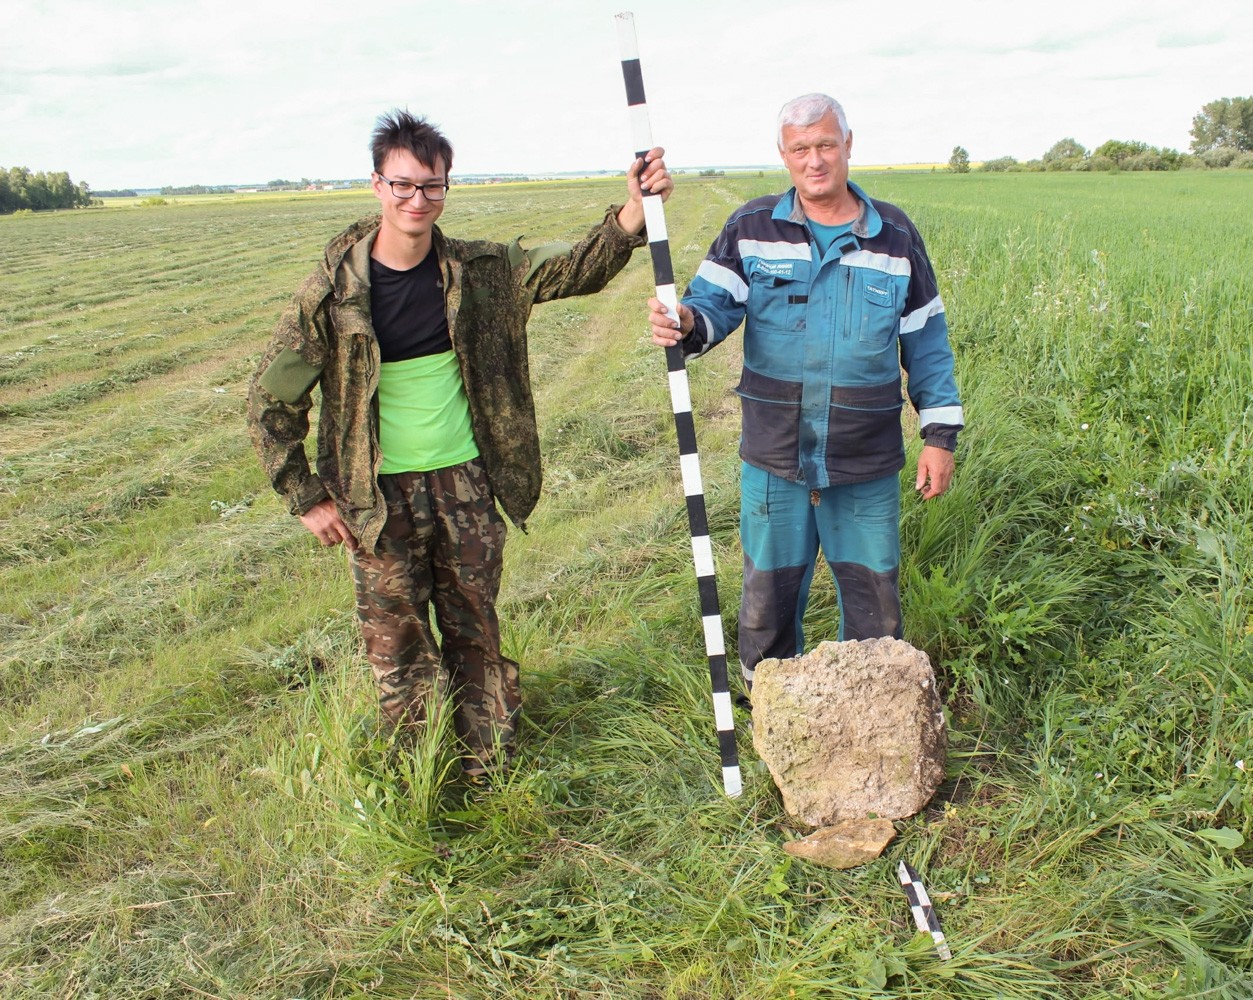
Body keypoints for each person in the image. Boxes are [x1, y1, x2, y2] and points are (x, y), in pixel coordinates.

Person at [248, 109, 672, 782]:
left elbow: (572, 271)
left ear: (447, 188)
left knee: (474, 625)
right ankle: (421, 780)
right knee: (397, 646)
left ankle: (487, 768)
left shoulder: (477, 272)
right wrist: (305, 497)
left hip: (463, 485)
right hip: (375, 497)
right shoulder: (331, 296)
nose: (418, 200)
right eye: (403, 185)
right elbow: (271, 402)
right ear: (376, 186)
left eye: (432, 186)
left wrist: (632, 212)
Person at [646, 93, 963, 692]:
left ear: (848, 145)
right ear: (783, 156)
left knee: (874, 602)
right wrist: (685, 321)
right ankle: (770, 716)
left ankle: (871, 717)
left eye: (825, 145)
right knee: (767, 598)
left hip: (863, 461)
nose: (814, 160)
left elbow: (927, 341)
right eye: (800, 149)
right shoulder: (750, 228)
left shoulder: (894, 237)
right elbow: (709, 306)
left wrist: (939, 435)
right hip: (774, 460)